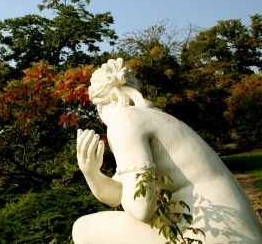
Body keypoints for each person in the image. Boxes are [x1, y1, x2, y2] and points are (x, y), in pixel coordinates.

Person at [72, 58, 262, 243]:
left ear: (106, 100)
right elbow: (119, 196)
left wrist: (138, 198)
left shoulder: (124, 121)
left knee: (83, 228)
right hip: (232, 227)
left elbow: (141, 209)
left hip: (213, 230)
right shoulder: (151, 118)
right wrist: (91, 174)